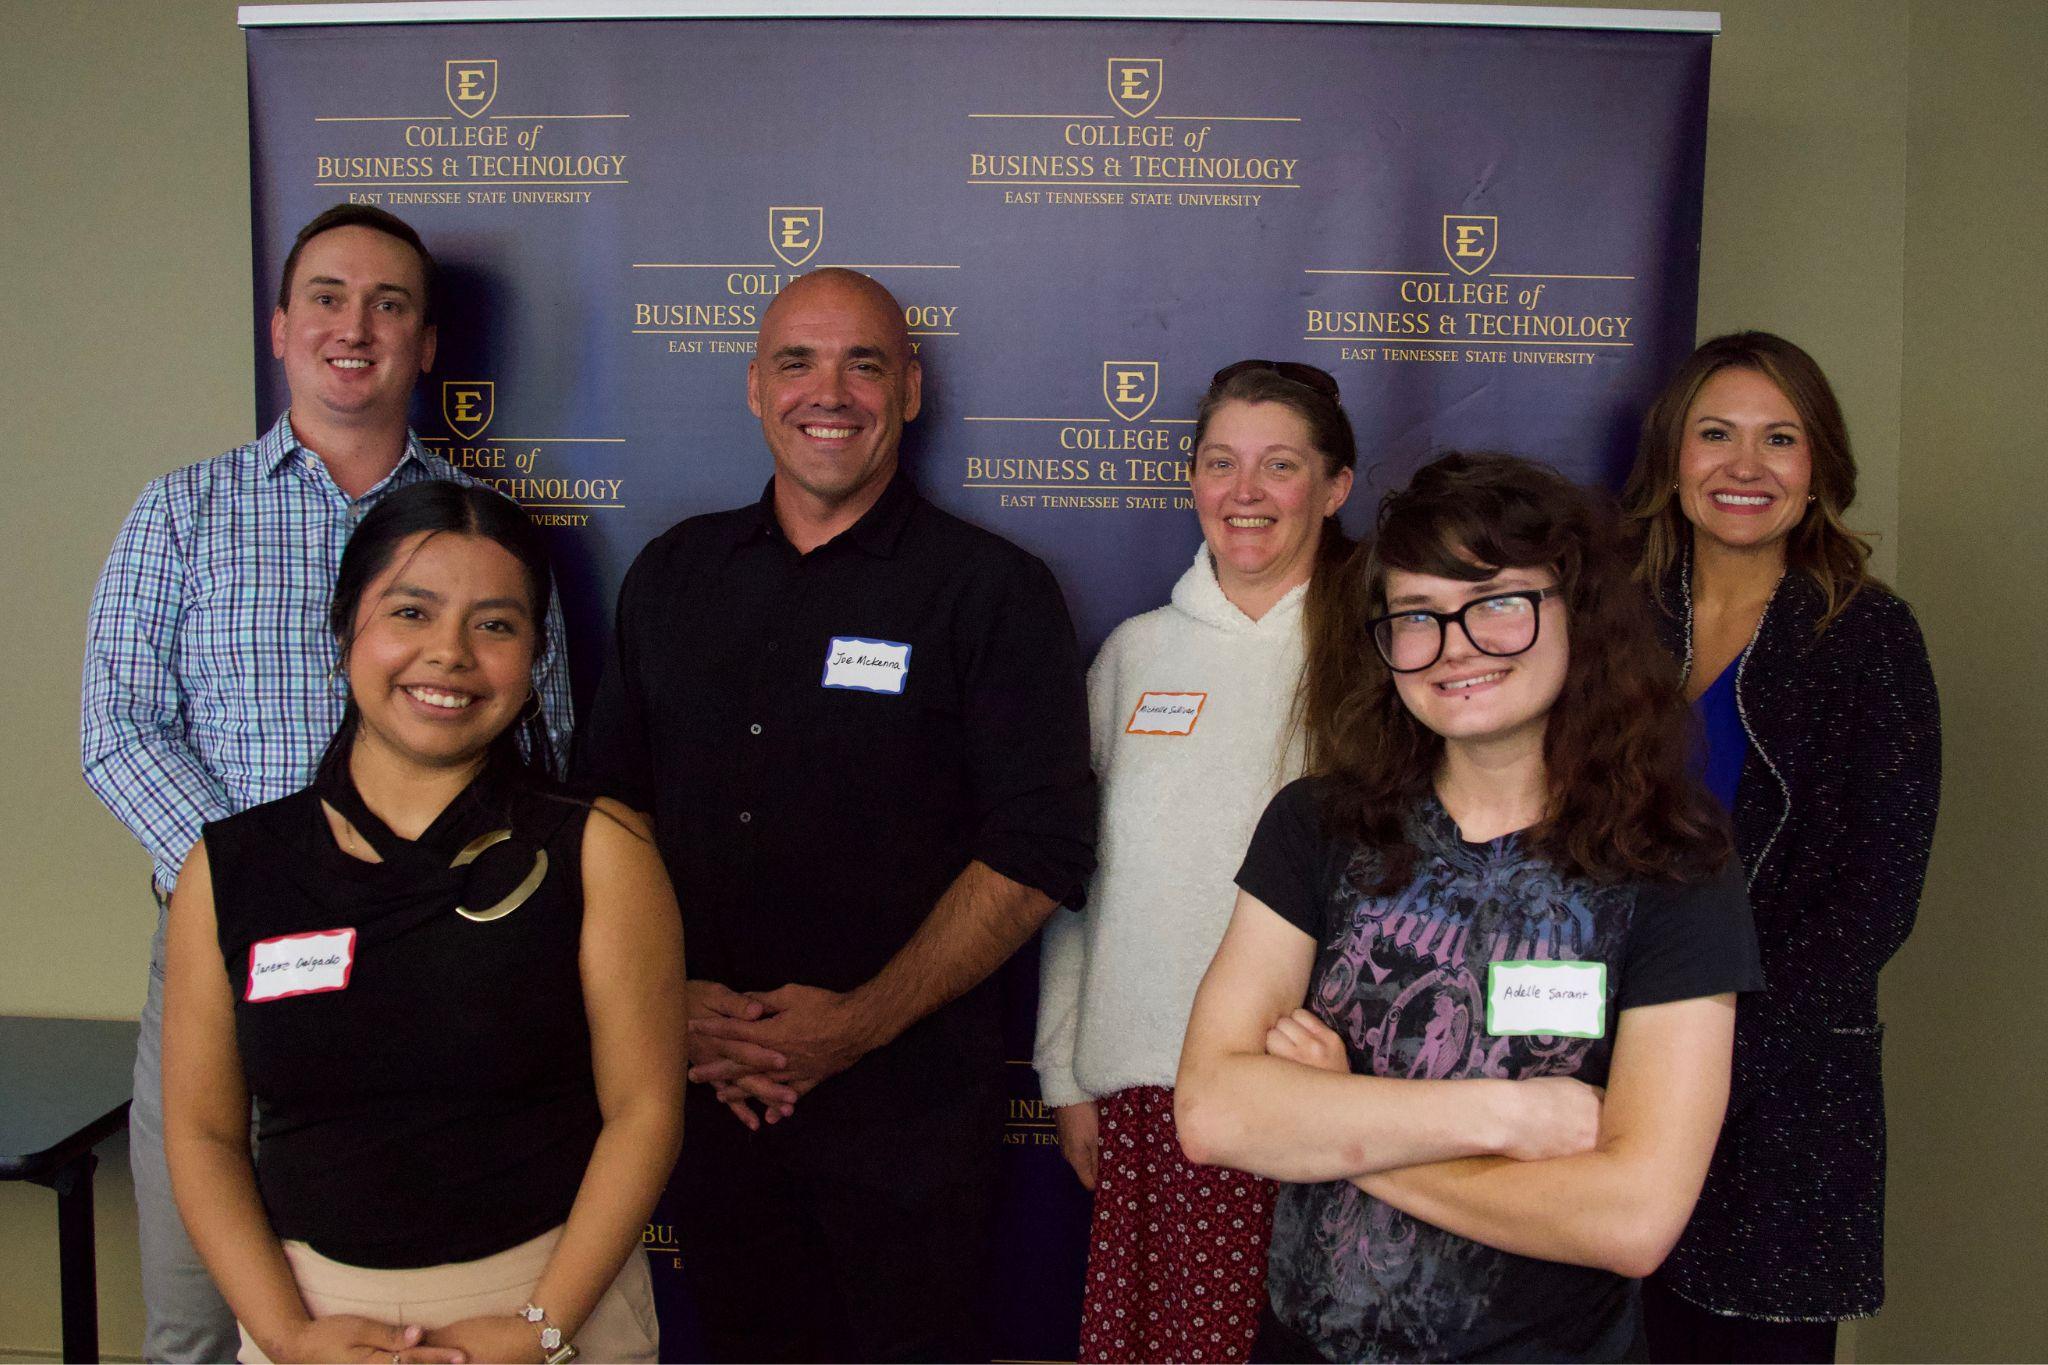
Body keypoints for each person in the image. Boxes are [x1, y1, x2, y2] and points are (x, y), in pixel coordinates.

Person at [573, 267, 1096, 1361]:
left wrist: (853, 1026)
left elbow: (1038, 845)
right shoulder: (672, 574)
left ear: (909, 388)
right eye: (797, 362)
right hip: (702, 1101)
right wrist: (664, 1000)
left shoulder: (991, 592)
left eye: (864, 362)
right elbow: (602, 813)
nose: (832, 391)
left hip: (909, 1128)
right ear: (754, 388)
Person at [81, 204, 573, 1362]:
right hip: (222, 959)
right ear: (280, 326)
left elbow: (540, 745)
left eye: (389, 304)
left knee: (409, 1298)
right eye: (328, 298)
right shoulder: (181, 513)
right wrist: (266, 891)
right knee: (199, 1319)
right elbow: (119, 729)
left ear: (427, 344)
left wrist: (399, 899)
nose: (355, 326)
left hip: (449, 959)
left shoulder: (486, 532)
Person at [1175, 452, 1765, 1363]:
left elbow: (1632, 1218)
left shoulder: (1675, 866)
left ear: (1580, 615)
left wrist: (1334, 1118)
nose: (1454, 645)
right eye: (1416, 616)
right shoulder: (1319, 825)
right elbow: (1214, 1111)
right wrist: (1507, 1118)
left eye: (1495, 603)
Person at [161, 481, 682, 1365]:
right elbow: (202, 1133)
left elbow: (644, 1110)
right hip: (314, 1324)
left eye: (495, 624)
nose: (449, 654)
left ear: (533, 664)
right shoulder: (230, 866)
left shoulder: (602, 849)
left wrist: (542, 1330)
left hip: (548, 1312)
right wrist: (287, 1336)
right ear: (345, 632)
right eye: (412, 611)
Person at [1619, 332, 1941, 1363]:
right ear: (1672, 460)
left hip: (1782, 1095)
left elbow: (1875, 894)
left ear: (1818, 471)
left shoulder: (1866, 637)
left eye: (1778, 440)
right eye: (1714, 436)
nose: (1743, 467)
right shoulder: (1606, 625)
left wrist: (1713, 1031)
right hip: (1593, 1069)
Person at [1033, 360, 1356, 1363]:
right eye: (1220, 463)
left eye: (1278, 466)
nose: (1244, 492)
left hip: (1320, 1089)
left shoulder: (1382, 657)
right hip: (1146, 1094)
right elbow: (1076, 885)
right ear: (1190, 480)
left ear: (1334, 486)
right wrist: (1063, 1072)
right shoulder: (1132, 656)